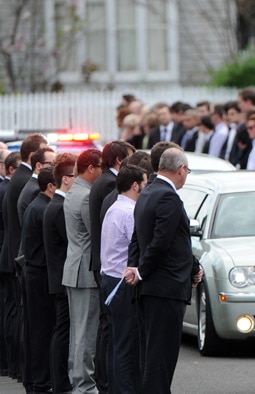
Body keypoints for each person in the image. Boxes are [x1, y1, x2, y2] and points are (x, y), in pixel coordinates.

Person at [123, 147, 202, 393]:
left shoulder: (147, 192)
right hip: (165, 288)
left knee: (152, 354)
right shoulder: (168, 197)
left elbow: (138, 238)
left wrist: (136, 267)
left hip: (152, 287)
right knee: (161, 357)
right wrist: (141, 271)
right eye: (187, 170)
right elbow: (161, 241)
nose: (186, 175)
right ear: (180, 170)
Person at [0, 133, 47, 382]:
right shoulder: (26, 180)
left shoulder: (19, 178)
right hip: (18, 256)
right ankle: (16, 366)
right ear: (34, 157)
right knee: (17, 315)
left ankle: (14, 366)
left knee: (14, 313)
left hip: (12, 253)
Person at [88, 140, 134, 394]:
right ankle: (105, 380)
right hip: (110, 265)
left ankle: (105, 379)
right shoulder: (110, 184)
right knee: (111, 331)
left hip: (105, 262)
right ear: (119, 161)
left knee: (109, 328)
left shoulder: (105, 181)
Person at [101, 165, 147, 393]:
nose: (146, 188)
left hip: (110, 280)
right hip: (123, 283)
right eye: (145, 183)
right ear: (136, 185)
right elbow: (139, 244)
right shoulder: (129, 212)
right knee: (127, 347)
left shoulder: (114, 207)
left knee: (117, 344)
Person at [62, 148, 102, 394]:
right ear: (91, 168)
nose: (102, 172)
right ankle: (84, 385)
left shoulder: (74, 190)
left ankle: (78, 381)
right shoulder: (86, 195)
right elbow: (94, 233)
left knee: (78, 331)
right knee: (85, 333)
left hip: (74, 268)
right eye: (100, 168)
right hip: (84, 272)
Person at [43, 154, 77, 394]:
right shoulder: (59, 208)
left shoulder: (55, 204)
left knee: (61, 329)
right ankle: (61, 383)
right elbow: (70, 242)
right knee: (62, 331)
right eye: (76, 176)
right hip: (61, 278)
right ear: (66, 179)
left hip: (58, 276)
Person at [20, 166, 56, 394]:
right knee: (42, 331)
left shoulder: (37, 205)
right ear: (51, 186)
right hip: (39, 276)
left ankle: (33, 380)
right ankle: (41, 382)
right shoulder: (43, 209)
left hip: (32, 273)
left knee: (34, 330)